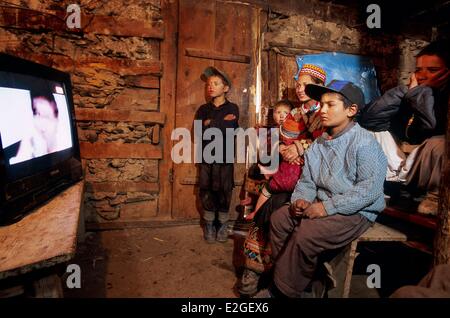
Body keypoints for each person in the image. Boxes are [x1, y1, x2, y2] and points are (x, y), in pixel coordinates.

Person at [256, 80, 387, 298]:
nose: (323, 110)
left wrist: (326, 207)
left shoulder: (364, 142)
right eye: (322, 104)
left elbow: (369, 190)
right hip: (324, 205)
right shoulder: (318, 144)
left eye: (331, 105)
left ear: (351, 110)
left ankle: (281, 292)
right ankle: (304, 286)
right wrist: (301, 200)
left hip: (357, 211)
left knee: (306, 233)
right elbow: (307, 181)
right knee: (280, 219)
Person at [238, 64, 327, 297]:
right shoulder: (295, 114)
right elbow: (283, 137)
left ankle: (286, 278)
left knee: (282, 211)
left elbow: (328, 143)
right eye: (297, 84)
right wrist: (289, 150)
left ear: (318, 87)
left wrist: (301, 147)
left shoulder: (325, 112)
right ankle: (254, 270)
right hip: (290, 173)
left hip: (315, 180)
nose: (299, 89)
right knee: (266, 209)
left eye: (305, 84)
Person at [359, 40, 449, 215]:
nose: (422, 75)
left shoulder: (444, 97)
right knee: (369, 132)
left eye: (432, 70)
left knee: (440, 143)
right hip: (403, 165)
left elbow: (431, 126)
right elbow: (369, 119)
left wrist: (418, 93)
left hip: (427, 167)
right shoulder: (412, 94)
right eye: (418, 70)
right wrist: (405, 91)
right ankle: (376, 189)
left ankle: (434, 198)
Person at [195, 66, 239, 243]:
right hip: (207, 157)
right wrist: (219, 123)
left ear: (225, 88)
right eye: (208, 84)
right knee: (206, 190)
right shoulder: (203, 109)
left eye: (215, 83)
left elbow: (231, 129)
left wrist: (210, 124)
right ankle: (209, 225)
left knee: (224, 191)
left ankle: (222, 225)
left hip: (226, 157)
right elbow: (198, 132)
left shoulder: (233, 108)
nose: (210, 87)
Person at [10, 90, 61, 164]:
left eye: (46, 116)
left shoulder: (63, 144)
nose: (41, 127)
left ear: (57, 119)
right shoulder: (31, 139)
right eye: (36, 113)